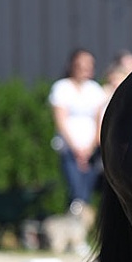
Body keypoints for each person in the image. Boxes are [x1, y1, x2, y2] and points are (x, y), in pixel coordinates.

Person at [49, 48, 106, 211]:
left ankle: (81, 230)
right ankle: (75, 228)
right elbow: (60, 120)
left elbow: (98, 120)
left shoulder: (95, 89)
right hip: (69, 148)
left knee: (86, 192)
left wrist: (91, 147)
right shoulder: (62, 88)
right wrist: (76, 148)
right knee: (76, 191)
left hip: (91, 150)